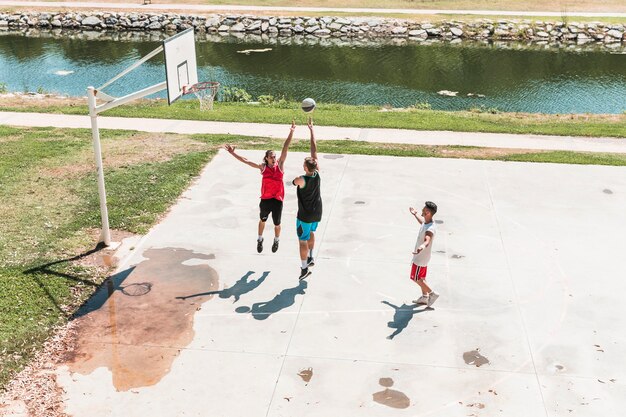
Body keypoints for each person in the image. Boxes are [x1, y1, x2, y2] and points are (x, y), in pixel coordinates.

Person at [224, 121, 295, 253]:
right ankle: (260, 239)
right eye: (271, 157)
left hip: (278, 199)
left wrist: (291, 131)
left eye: (274, 156)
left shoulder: (280, 165)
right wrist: (232, 153)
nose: (274, 158)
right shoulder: (262, 168)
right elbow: (246, 161)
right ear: (266, 158)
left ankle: (276, 240)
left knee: (277, 224)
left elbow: (285, 147)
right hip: (266, 199)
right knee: (262, 220)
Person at [292, 117, 321, 280]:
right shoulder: (317, 174)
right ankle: (311, 256)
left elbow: (294, 182)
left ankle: (304, 268)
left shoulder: (302, 179)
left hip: (305, 215)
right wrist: (311, 130)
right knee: (311, 233)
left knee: (302, 240)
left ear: (305, 167)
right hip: (317, 212)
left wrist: (295, 179)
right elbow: (314, 150)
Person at [409, 201, 439, 307]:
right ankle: (425, 297)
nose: (422, 209)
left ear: (427, 212)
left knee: (415, 278)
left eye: (424, 209)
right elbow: (422, 223)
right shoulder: (429, 222)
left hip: (420, 258)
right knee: (421, 277)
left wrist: (422, 246)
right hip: (424, 258)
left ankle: (432, 293)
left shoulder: (430, 229)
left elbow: (427, 239)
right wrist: (415, 214)